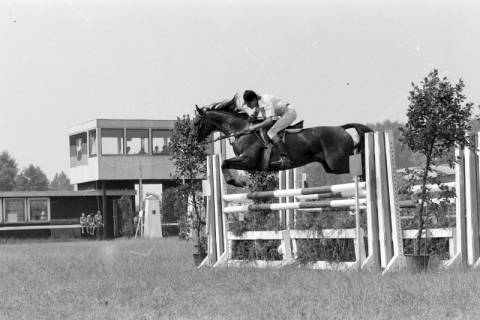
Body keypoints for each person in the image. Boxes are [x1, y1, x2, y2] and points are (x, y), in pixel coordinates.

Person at [242, 90, 297, 168]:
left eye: (248, 103)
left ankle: (285, 158)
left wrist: (254, 126)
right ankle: (271, 152)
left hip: (289, 113)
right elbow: (256, 112)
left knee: (271, 132)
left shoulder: (266, 101)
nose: (247, 106)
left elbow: (269, 121)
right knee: (263, 130)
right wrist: (252, 117)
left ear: (254, 99)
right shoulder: (258, 102)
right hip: (282, 114)